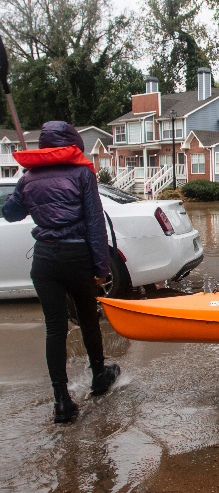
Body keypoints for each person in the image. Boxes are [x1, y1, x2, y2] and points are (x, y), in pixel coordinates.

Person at [2, 121, 120, 423]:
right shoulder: (83, 173)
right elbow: (95, 222)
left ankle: (62, 402)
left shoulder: (28, 177)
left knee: (55, 328)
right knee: (87, 319)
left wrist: (25, 186)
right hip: (76, 255)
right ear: (72, 143)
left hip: (44, 260)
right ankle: (98, 376)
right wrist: (101, 268)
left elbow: (11, 213)